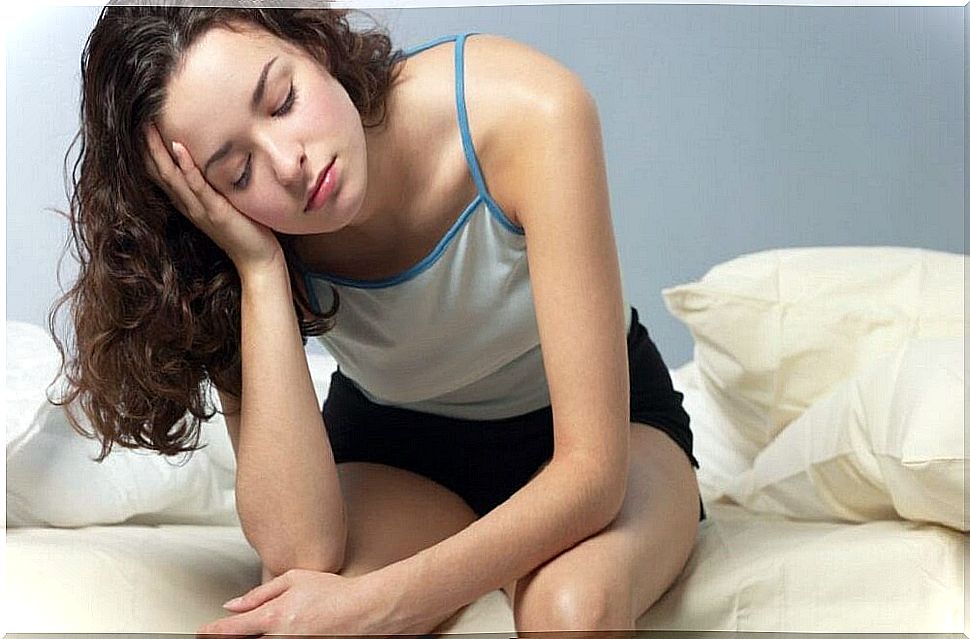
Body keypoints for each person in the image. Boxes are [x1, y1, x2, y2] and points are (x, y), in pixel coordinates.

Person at [50, 3, 705, 636]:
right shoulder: (242, 241)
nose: (289, 165)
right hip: (400, 449)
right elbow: (297, 546)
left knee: (572, 610)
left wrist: (386, 602)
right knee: (300, 608)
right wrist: (258, 268)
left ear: (314, 44)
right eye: (240, 170)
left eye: (283, 101)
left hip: (597, 431)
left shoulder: (527, 110)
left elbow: (590, 475)